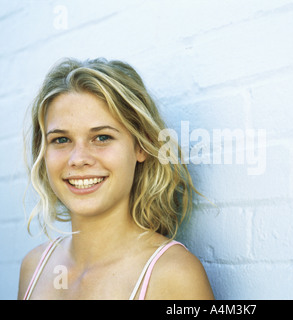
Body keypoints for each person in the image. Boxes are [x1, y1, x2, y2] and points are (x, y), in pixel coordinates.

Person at [18, 58, 214, 300]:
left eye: (101, 137)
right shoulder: (34, 267)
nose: (78, 159)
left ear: (141, 146)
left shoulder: (173, 274)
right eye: (61, 140)